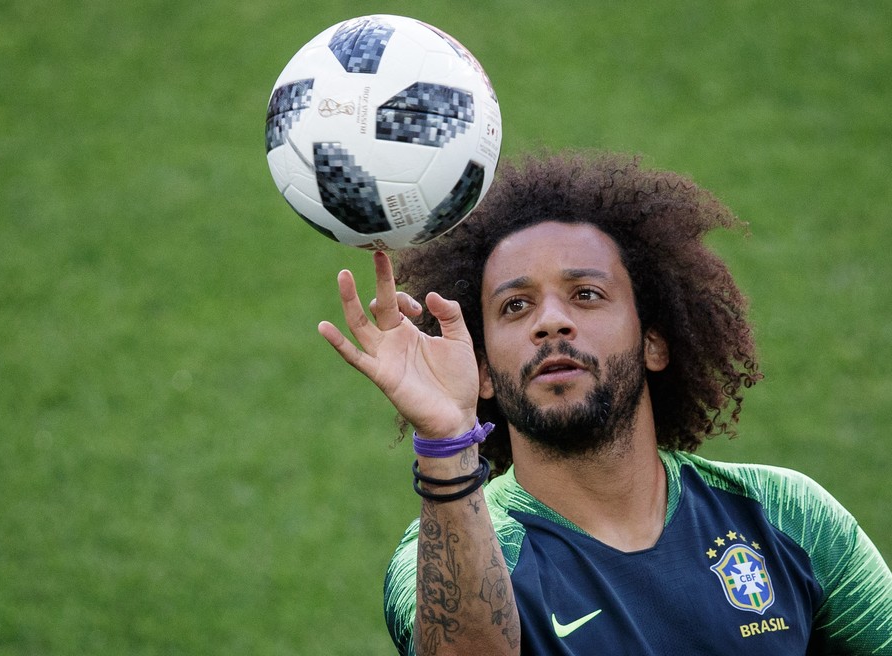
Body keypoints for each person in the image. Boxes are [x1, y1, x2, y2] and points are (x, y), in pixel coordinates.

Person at [317, 150, 892, 655]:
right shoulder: (445, 551)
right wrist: (446, 438)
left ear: (654, 342)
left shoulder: (785, 516)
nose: (551, 322)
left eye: (586, 295)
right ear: (484, 372)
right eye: (515, 306)